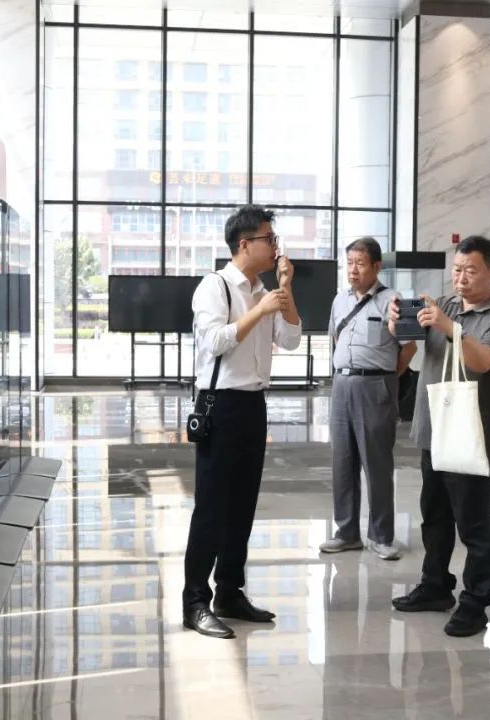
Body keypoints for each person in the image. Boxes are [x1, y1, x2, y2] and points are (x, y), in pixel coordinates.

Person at [387, 236, 490, 637]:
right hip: (435, 431)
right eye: (457, 270)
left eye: (470, 270)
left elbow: (483, 361)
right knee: (435, 516)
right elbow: (406, 340)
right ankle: (435, 586)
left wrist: (451, 328)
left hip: (473, 437)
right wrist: (398, 321)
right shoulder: (444, 304)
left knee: (474, 525)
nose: (460, 278)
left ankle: (475, 603)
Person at [182, 204, 302, 639]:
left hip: (253, 405)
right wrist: (259, 309)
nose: (275, 246)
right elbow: (214, 341)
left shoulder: (265, 289)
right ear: (245, 243)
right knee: (212, 507)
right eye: (269, 239)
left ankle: (229, 593)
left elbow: (291, 339)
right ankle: (195, 602)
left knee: (242, 506)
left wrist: (284, 290)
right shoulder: (215, 286)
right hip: (220, 405)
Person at [319, 237, 416, 561]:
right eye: (349, 263)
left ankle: (381, 536)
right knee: (342, 463)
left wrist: (387, 378)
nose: (353, 270)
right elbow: (336, 339)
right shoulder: (339, 300)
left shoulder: (393, 300)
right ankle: (346, 532)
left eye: (360, 263)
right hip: (342, 385)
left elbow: (409, 348)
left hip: (376, 385)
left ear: (376, 266)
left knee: (377, 465)